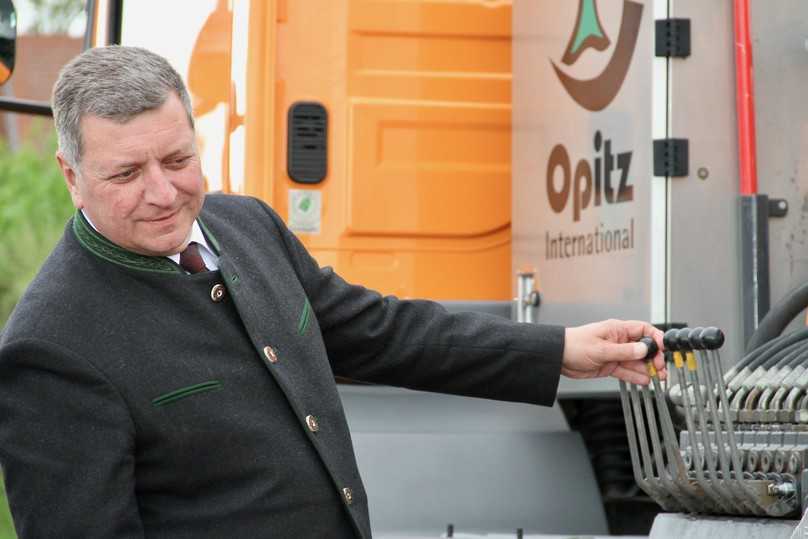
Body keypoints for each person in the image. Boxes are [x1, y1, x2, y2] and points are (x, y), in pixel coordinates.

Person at [0, 46, 665, 538]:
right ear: (71, 175)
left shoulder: (247, 225)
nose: (163, 192)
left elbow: (381, 333)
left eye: (178, 160)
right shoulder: (51, 347)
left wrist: (560, 350)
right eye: (126, 174)